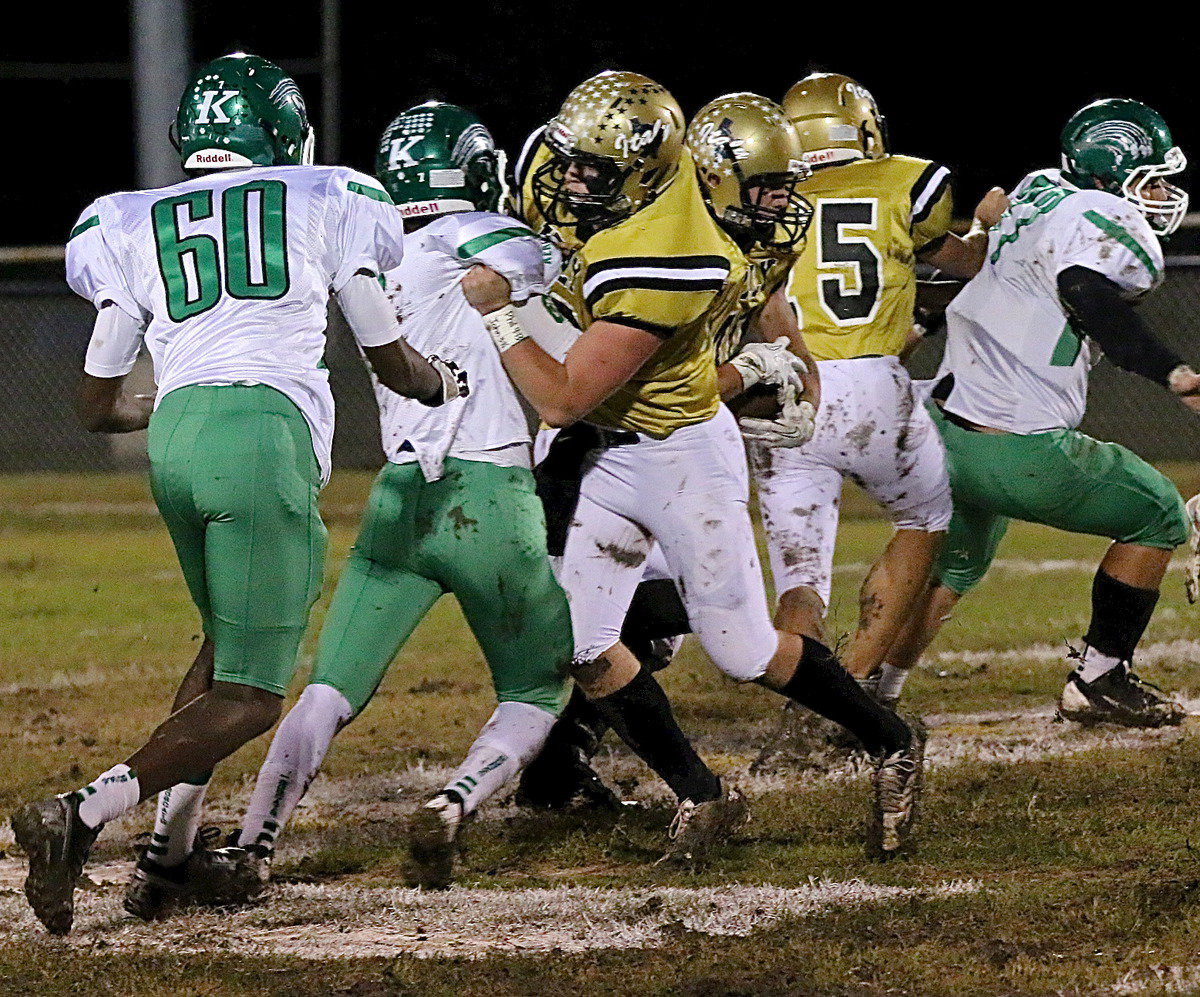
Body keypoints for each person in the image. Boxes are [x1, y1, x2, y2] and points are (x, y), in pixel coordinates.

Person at [10, 54, 462, 936]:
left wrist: (167, 399)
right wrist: (439, 379)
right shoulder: (331, 197)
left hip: (172, 441)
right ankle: (81, 811)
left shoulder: (128, 221)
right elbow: (386, 353)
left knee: (223, 650)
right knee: (254, 693)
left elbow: (98, 404)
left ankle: (168, 859)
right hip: (263, 437)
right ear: (284, 132)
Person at [466, 73, 923, 861]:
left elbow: (561, 398)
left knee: (744, 651)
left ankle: (893, 741)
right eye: (574, 163)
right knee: (580, 643)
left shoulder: (677, 256)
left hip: (677, 451)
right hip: (617, 442)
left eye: (592, 172)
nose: (568, 179)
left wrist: (500, 312)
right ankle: (702, 796)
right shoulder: (610, 180)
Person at [188, 102, 573, 901]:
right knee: (537, 687)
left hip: (400, 492)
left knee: (329, 688)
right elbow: (561, 286)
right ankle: (453, 801)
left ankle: (255, 845)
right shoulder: (490, 234)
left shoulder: (372, 246)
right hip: (491, 491)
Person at [883, 98, 1196, 728]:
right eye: (1151, 180)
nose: (1164, 194)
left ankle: (874, 694)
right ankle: (1101, 678)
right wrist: (1172, 371)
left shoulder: (1039, 191)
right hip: (1013, 442)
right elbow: (1087, 290)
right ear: (1111, 178)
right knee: (1158, 511)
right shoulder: (1102, 219)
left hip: (944, 424)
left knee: (960, 563)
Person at [757, 73, 1007, 706]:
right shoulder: (905, 181)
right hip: (870, 384)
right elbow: (966, 260)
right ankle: (860, 681)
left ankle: (807, 703)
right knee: (925, 516)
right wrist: (986, 227)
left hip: (783, 388)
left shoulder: (766, 193)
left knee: (799, 571)